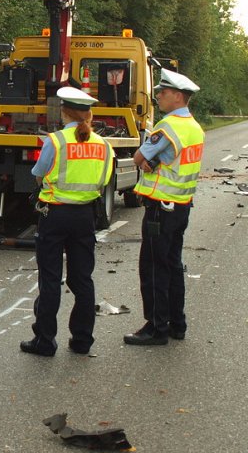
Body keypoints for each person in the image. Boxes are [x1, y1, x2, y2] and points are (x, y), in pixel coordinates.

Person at [20, 86, 114, 357]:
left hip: (55, 215)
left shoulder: (56, 140)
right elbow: (104, 179)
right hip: (85, 216)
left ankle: (45, 341)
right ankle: (82, 339)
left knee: (50, 279)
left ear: (64, 112)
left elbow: (39, 175)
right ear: (88, 113)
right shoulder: (102, 144)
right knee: (82, 279)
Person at [124, 69, 204, 346]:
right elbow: (171, 161)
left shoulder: (168, 126)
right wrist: (153, 162)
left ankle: (156, 328)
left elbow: (137, 157)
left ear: (178, 96)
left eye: (163, 92)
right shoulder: (194, 127)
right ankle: (176, 323)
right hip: (181, 205)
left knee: (154, 268)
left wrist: (146, 161)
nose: (158, 96)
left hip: (160, 206)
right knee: (172, 265)